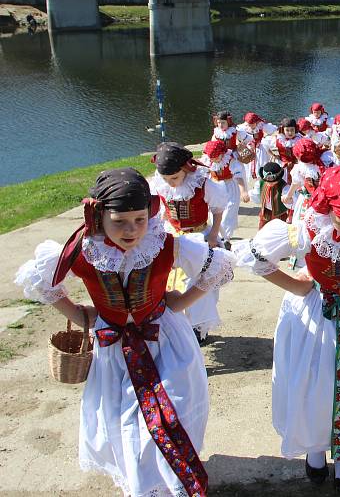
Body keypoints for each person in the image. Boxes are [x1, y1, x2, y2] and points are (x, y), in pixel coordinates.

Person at [15, 168, 234, 497]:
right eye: (120, 221)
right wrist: (78, 313)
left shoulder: (165, 245)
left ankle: (169, 482)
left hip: (166, 340)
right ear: (99, 216)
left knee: (173, 412)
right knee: (129, 423)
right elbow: (42, 281)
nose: (131, 230)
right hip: (114, 348)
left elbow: (217, 267)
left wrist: (180, 301)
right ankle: (145, 487)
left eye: (139, 219)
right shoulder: (84, 251)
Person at [233, 161, 340, 494]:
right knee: (316, 384)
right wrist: (297, 286)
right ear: (329, 209)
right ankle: (315, 448)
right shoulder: (306, 228)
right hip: (316, 316)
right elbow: (257, 258)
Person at [151, 142, 229, 343]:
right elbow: (160, 212)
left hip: (200, 237)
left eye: (174, 178)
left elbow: (218, 208)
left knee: (198, 282)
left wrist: (213, 234)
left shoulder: (202, 183)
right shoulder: (161, 185)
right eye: (166, 179)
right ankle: (177, 323)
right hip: (174, 236)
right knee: (171, 281)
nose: (170, 183)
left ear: (185, 169)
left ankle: (199, 326)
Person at [201, 138, 249, 250]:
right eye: (212, 158)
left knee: (228, 213)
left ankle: (226, 239)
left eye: (216, 157)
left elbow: (238, 177)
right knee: (215, 214)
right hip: (215, 186)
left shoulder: (230, 160)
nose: (214, 160)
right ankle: (220, 236)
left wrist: (243, 191)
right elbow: (202, 173)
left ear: (222, 153)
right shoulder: (208, 161)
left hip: (230, 187)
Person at [238, 111, 278, 184]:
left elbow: (275, 130)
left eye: (252, 124)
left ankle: (261, 180)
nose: (250, 126)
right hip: (248, 148)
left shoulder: (262, 126)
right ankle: (249, 180)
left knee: (261, 164)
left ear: (256, 122)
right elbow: (237, 135)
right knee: (247, 165)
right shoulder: (243, 128)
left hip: (259, 148)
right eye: (248, 124)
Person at [256, 161, 291, 228]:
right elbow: (256, 194)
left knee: (278, 232)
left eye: (273, 181)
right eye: (267, 180)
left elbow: (290, 200)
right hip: (265, 212)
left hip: (279, 215)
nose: (270, 183)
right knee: (262, 230)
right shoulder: (261, 183)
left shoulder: (284, 187)